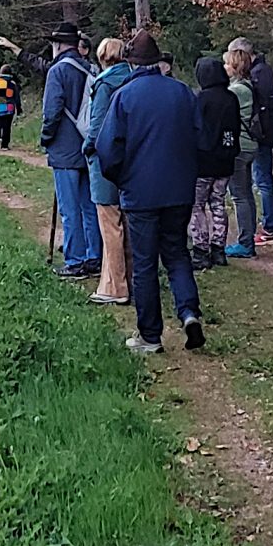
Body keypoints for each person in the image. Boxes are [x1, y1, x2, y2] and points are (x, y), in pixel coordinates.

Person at [96, 32, 206, 353]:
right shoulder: (184, 93)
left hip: (140, 194)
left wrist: (121, 179)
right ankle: (189, 313)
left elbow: (108, 149)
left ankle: (150, 335)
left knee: (145, 263)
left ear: (131, 63)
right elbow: (201, 140)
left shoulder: (124, 96)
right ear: (158, 62)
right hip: (179, 191)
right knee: (177, 254)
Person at [40, 21, 102, 278]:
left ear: (57, 45)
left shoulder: (57, 71)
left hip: (64, 148)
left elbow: (52, 110)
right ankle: (94, 256)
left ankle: (74, 261)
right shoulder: (91, 68)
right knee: (89, 204)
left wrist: (46, 137)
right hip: (88, 144)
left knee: (69, 208)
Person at [82, 39, 134, 304]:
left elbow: (98, 125)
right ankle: (129, 278)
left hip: (104, 162)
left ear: (103, 56)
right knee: (126, 222)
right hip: (130, 160)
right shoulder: (132, 79)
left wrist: (87, 148)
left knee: (109, 224)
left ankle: (115, 286)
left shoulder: (104, 84)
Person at [228, 38, 273, 243]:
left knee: (263, 181)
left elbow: (262, 110)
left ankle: (270, 226)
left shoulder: (258, 75)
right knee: (259, 181)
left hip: (260, 137)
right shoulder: (262, 71)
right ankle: (266, 224)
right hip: (263, 135)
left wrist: (260, 135)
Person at [191, 56, 241, 271]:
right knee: (218, 203)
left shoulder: (200, 99)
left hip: (203, 162)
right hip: (226, 160)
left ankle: (201, 250)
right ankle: (219, 248)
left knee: (197, 205)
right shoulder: (231, 98)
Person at [223, 47, 260, 259]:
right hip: (250, 145)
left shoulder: (237, 91)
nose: (225, 67)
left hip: (239, 146)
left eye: (228, 63)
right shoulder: (248, 87)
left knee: (239, 196)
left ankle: (245, 241)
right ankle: (249, 237)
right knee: (246, 194)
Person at [0, 64, 23, 149]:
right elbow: (16, 97)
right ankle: (5, 145)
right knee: (7, 126)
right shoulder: (12, 84)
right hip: (9, 108)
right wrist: (19, 107)